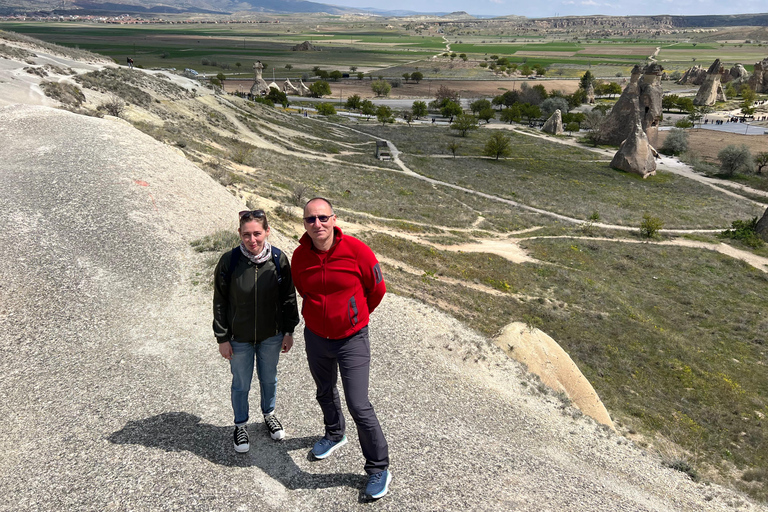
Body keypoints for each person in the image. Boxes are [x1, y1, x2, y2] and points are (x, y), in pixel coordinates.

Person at [291, 197, 392, 500]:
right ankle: (334, 434)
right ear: (305, 224)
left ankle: (378, 467)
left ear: (334, 219)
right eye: (310, 219)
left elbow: (377, 289)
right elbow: (303, 290)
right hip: (317, 338)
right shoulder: (299, 257)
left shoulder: (357, 250)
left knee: (359, 404)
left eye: (323, 217)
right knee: (324, 390)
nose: (317, 224)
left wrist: (355, 316)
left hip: (352, 339)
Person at [213, 209, 299, 453]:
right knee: (241, 383)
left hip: (271, 336)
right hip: (238, 338)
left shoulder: (278, 259)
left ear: (267, 232)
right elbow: (219, 301)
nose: (252, 240)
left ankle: (269, 414)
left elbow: (288, 298)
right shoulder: (229, 262)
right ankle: (241, 425)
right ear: (239, 234)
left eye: (257, 234)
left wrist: (289, 330)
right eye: (247, 235)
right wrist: (222, 337)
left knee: (269, 378)